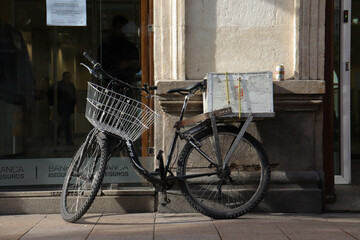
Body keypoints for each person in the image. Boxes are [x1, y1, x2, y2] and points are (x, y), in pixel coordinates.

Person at [99, 15, 140, 88]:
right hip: (110, 86)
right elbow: (102, 69)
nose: (122, 31)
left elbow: (137, 68)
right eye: (119, 27)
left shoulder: (131, 46)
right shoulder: (105, 47)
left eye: (124, 28)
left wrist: (133, 64)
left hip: (128, 85)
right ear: (113, 28)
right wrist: (120, 66)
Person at [48, 72, 76, 145]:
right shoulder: (58, 85)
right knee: (66, 123)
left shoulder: (71, 85)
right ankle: (68, 140)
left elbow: (73, 96)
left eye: (69, 77)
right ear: (63, 77)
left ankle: (55, 136)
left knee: (65, 123)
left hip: (69, 107)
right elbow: (51, 94)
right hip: (61, 107)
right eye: (67, 77)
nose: (68, 79)